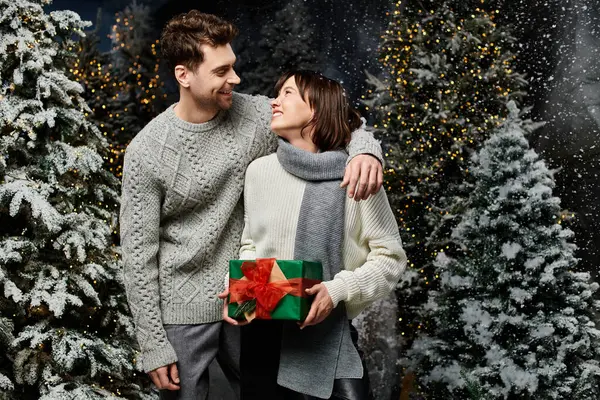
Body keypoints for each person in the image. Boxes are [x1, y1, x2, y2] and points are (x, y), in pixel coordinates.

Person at [119, 11, 385, 400]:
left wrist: (366, 154)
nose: (236, 79)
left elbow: (340, 118)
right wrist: (153, 343)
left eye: (235, 67)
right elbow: (137, 254)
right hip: (180, 310)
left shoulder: (258, 115)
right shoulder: (145, 151)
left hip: (252, 295)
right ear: (184, 75)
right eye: (222, 71)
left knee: (270, 394)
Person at [222, 70, 407, 399]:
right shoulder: (260, 172)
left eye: (288, 93)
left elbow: (390, 259)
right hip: (260, 340)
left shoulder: (358, 176)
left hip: (328, 340)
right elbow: (251, 245)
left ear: (317, 109)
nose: (275, 101)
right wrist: (238, 289)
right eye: (277, 93)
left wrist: (337, 290)